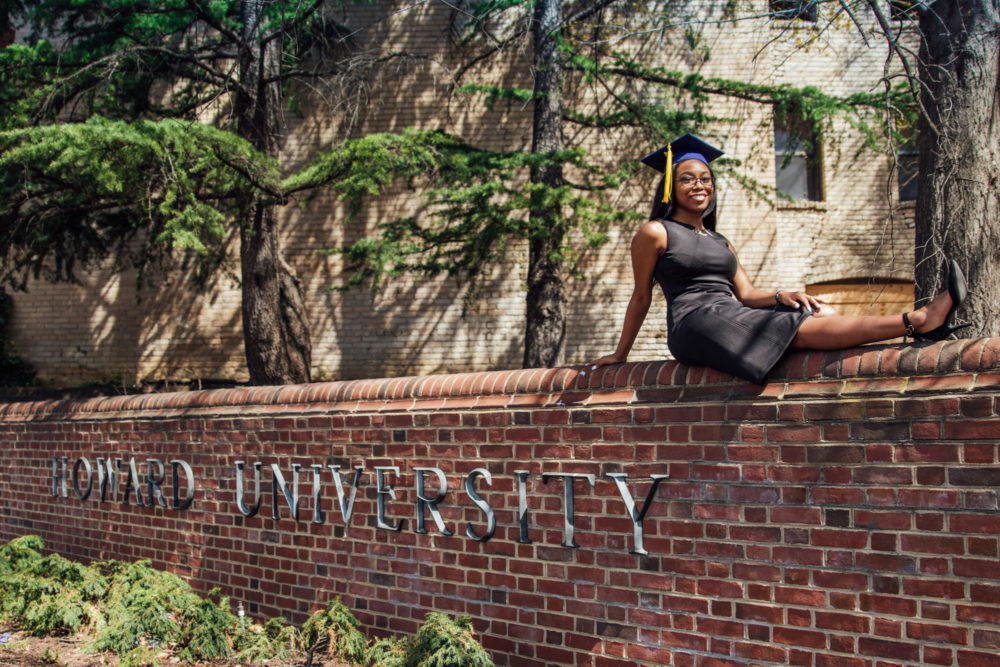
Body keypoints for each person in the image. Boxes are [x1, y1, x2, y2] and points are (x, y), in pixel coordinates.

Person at [588, 133, 969, 385]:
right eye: (687, 178)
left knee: (819, 313)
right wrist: (621, 354)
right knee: (797, 330)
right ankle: (916, 320)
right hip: (694, 324)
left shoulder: (720, 241)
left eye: (705, 178)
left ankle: (913, 333)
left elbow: (747, 295)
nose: (699, 185)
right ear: (672, 186)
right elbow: (641, 297)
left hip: (731, 314)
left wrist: (781, 296)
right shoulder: (655, 232)